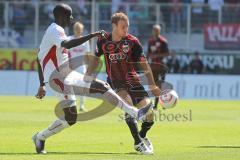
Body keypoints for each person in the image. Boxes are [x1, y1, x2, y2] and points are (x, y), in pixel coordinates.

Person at [33, 4, 154, 154]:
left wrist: (41, 84)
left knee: (92, 97)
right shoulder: (55, 30)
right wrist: (92, 35)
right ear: (61, 16)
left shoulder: (54, 31)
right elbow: (67, 44)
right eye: (69, 15)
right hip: (57, 80)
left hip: (66, 75)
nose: (71, 19)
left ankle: (40, 137)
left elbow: (39, 57)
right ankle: (40, 137)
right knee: (78, 110)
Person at [92, 12, 160, 155]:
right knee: (128, 106)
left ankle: (142, 134)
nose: (126, 30)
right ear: (114, 26)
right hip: (116, 82)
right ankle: (138, 143)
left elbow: (144, 64)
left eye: (127, 27)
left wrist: (152, 85)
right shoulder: (103, 41)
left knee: (150, 114)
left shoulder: (133, 42)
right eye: (123, 27)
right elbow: (96, 58)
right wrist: (88, 76)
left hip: (134, 81)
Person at [68, 22, 90, 112]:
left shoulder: (85, 41)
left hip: (81, 67)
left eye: (79, 29)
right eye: (76, 29)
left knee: (82, 86)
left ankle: (81, 105)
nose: (78, 31)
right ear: (74, 29)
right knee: (71, 86)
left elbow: (87, 55)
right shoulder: (69, 39)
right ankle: (72, 105)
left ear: (82, 30)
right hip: (71, 66)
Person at [147, 24, 169, 110]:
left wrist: (156, 55)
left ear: (159, 31)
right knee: (155, 86)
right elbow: (148, 54)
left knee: (161, 85)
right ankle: (156, 105)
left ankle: (164, 103)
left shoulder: (163, 41)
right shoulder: (150, 42)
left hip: (161, 66)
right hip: (153, 67)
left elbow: (167, 53)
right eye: (154, 30)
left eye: (157, 30)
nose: (155, 32)